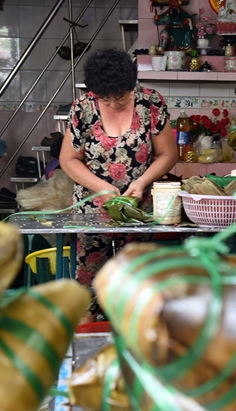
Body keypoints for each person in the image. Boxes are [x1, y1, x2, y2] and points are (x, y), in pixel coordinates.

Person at [59, 48, 178, 324]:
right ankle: (87, 351)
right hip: (92, 212)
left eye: (120, 97)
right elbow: (68, 159)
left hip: (138, 210)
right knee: (88, 286)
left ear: (132, 86)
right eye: (105, 98)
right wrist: (101, 187)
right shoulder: (83, 108)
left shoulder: (151, 104)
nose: (112, 103)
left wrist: (141, 182)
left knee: (138, 285)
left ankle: (135, 350)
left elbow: (168, 154)